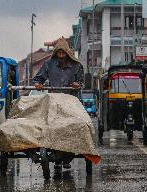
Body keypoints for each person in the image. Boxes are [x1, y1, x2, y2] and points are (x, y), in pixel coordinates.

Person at [33, 37, 84, 169]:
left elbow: (82, 82)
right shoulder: (48, 64)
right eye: (58, 53)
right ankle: (55, 155)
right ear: (55, 53)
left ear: (67, 53)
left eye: (63, 53)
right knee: (53, 128)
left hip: (72, 102)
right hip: (54, 101)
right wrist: (38, 83)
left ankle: (67, 157)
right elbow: (39, 78)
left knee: (73, 129)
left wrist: (77, 84)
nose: (61, 55)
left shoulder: (77, 65)